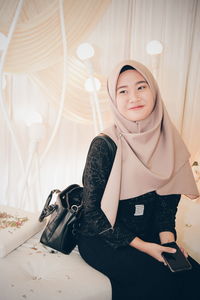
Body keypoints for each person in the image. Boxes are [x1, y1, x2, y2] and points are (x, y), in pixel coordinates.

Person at [77, 60, 200, 300]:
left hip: (149, 234)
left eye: (141, 87)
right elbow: (92, 214)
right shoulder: (104, 145)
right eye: (123, 91)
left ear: (154, 91)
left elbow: (166, 209)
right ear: (114, 98)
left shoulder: (169, 142)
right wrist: (144, 247)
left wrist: (169, 243)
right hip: (103, 238)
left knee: (193, 279)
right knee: (156, 285)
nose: (133, 97)